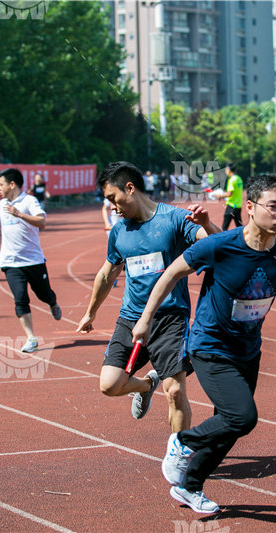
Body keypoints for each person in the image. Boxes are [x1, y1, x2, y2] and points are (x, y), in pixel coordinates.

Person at [131, 174, 276, 514]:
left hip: (248, 348)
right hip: (210, 344)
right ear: (250, 207)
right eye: (273, 206)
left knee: (228, 426)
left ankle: (190, 487)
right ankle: (182, 441)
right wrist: (145, 319)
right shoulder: (221, 245)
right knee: (242, 417)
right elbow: (170, 273)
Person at [76, 161, 220, 433]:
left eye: (112, 198)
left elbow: (218, 246)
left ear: (129, 188)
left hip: (169, 319)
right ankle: (146, 385)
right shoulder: (119, 231)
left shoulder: (175, 219)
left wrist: (207, 223)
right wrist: (90, 313)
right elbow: (107, 275)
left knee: (175, 391)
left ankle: (179, 454)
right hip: (131, 317)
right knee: (110, 385)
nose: (112, 207)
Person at [0, 168, 62, 352]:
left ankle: (52, 302)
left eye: (1, 184)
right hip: (10, 262)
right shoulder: (3, 203)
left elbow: (42, 222)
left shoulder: (29, 201)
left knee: (43, 294)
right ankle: (31, 338)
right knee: (20, 299)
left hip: (33, 261)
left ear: (12, 184)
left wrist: (19, 214)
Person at [215, 163, 244, 231]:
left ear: (228, 170)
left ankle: (223, 241)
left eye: (225, 170)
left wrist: (218, 195)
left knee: (224, 227)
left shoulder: (231, 180)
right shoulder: (239, 178)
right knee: (239, 226)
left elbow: (229, 194)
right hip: (238, 206)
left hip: (231, 206)